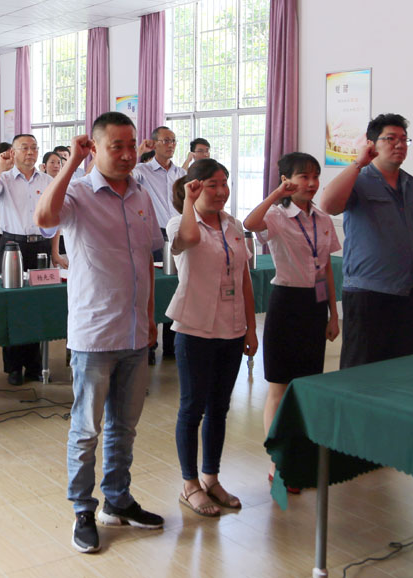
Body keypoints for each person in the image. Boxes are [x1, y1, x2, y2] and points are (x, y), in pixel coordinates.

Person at [35, 112, 165, 554]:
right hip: (95, 332)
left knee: (124, 427)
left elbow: (147, 260)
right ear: (95, 148)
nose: (128, 155)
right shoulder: (77, 192)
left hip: (135, 331)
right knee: (87, 429)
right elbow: (44, 216)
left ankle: (118, 499)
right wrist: (72, 162)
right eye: (116, 147)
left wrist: (150, 317)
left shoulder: (141, 194)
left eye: (132, 146)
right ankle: (82, 510)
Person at [243, 152, 340, 491]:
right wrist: (276, 194)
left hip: (315, 305)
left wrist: (333, 314)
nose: (311, 183)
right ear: (286, 180)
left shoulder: (323, 219)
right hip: (286, 303)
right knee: (280, 387)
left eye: (315, 176)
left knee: (307, 386)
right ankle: (278, 462)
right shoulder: (276, 216)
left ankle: (300, 458)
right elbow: (249, 224)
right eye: (303, 177)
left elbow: (326, 268)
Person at [167, 158, 256, 517]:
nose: (221, 192)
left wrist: (251, 327)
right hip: (195, 328)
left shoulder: (233, 224)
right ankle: (190, 485)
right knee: (193, 408)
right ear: (194, 186)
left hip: (231, 328)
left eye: (224, 184)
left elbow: (244, 276)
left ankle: (212, 478)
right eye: (212, 185)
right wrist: (189, 202)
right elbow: (188, 240)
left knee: (220, 407)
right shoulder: (180, 222)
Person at [319, 113, 413, 369]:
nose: (399, 144)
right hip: (367, 294)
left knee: (401, 368)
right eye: (390, 139)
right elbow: (328, 205)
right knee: (361, 370)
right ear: (371, 144)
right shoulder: (358, 180)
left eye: (404, 139)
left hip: (406, 294)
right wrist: (358, 163)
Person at [0, 134, 55, 386]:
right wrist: (0, 166)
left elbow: (55, 218)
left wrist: (54, 252)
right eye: (25, 148)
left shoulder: (48, 180)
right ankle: (13, 367)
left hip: (40, 245)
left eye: (34, 148)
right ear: (13, 151)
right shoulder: (4, 178)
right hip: (12, 246)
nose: (30, 152)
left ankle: (34, 365)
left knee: (36, 305)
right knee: (13, 306)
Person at [134, 126, 187, 363]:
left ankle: (172, 345)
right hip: (152, 234)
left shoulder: (181, 173)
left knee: (176, 287)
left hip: (177, 232)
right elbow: (122, 176)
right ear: (154, 143)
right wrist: (138, 152)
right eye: (166, 140)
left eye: (173, 141)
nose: (171, 145)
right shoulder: (142, 170)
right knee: (152, 288)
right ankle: (149, 343)